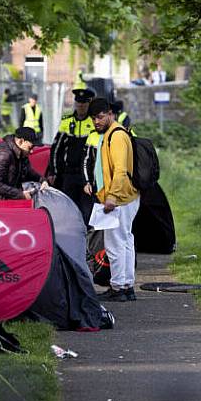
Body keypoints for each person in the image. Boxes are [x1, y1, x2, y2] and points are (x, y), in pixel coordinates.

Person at [82, 98, 140, 302]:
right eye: (93, 118)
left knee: (115, 244)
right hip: (126, 196)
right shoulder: (113, 133)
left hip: (120, 198)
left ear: (110, 114)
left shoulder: (115, 136)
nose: (96, 122)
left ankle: (118, 287)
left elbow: (121, 170)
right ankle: (126, 285)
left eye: (99, 117)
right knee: (125, 241)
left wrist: (112, 196)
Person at [45, 87, 96, 222]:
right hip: (69, 174)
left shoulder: (93, 122)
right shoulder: (67, 122)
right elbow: (56, 149)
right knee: (68, 209)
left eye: (84, 103)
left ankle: (86, 239)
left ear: (89, 104)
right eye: (78, 103)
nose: (80, 106)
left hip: (87, 175)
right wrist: (54, 171)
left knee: (87, 211)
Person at [0, 127, 46, 200]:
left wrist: (42, 180)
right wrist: (20, 194)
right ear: (21, 141)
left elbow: (28, 172)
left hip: (6, 199)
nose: (32, 151)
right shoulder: (3, 154)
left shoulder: (21, 153)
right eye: (30, 147)